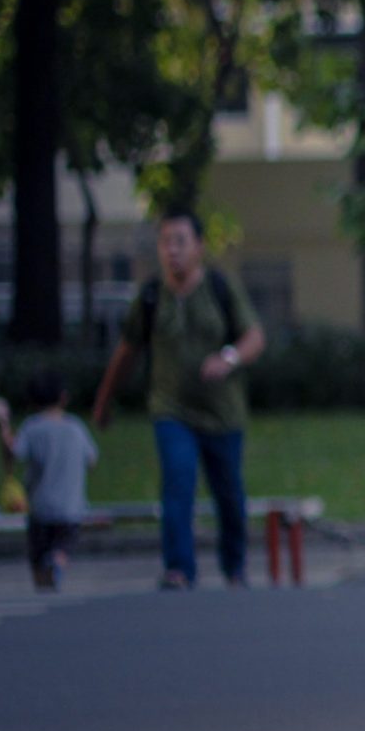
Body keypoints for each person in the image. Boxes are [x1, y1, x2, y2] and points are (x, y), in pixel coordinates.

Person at [90, 208, 266, 589]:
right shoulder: (152, 296)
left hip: (223, 414)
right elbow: (127, 351)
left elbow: (254, 337)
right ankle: (179, 569)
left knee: (229, 495)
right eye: (165, 242)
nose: (172, 250)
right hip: (171, 410)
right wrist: (104, 400)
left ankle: (235, 567)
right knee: (178, 480)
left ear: (199, 247)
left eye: (180, 242)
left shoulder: (220, 287)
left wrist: (227, 358)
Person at [0, 371, 99, 592]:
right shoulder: (76, 427)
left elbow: (15, 453)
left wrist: (4, 427)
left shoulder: (31, 427)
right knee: (63, 547)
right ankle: (58, 562)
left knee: (37, 555)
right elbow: (92, 460)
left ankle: (44, 586)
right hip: (71, 508)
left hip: (40, 507)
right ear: (64, 397)